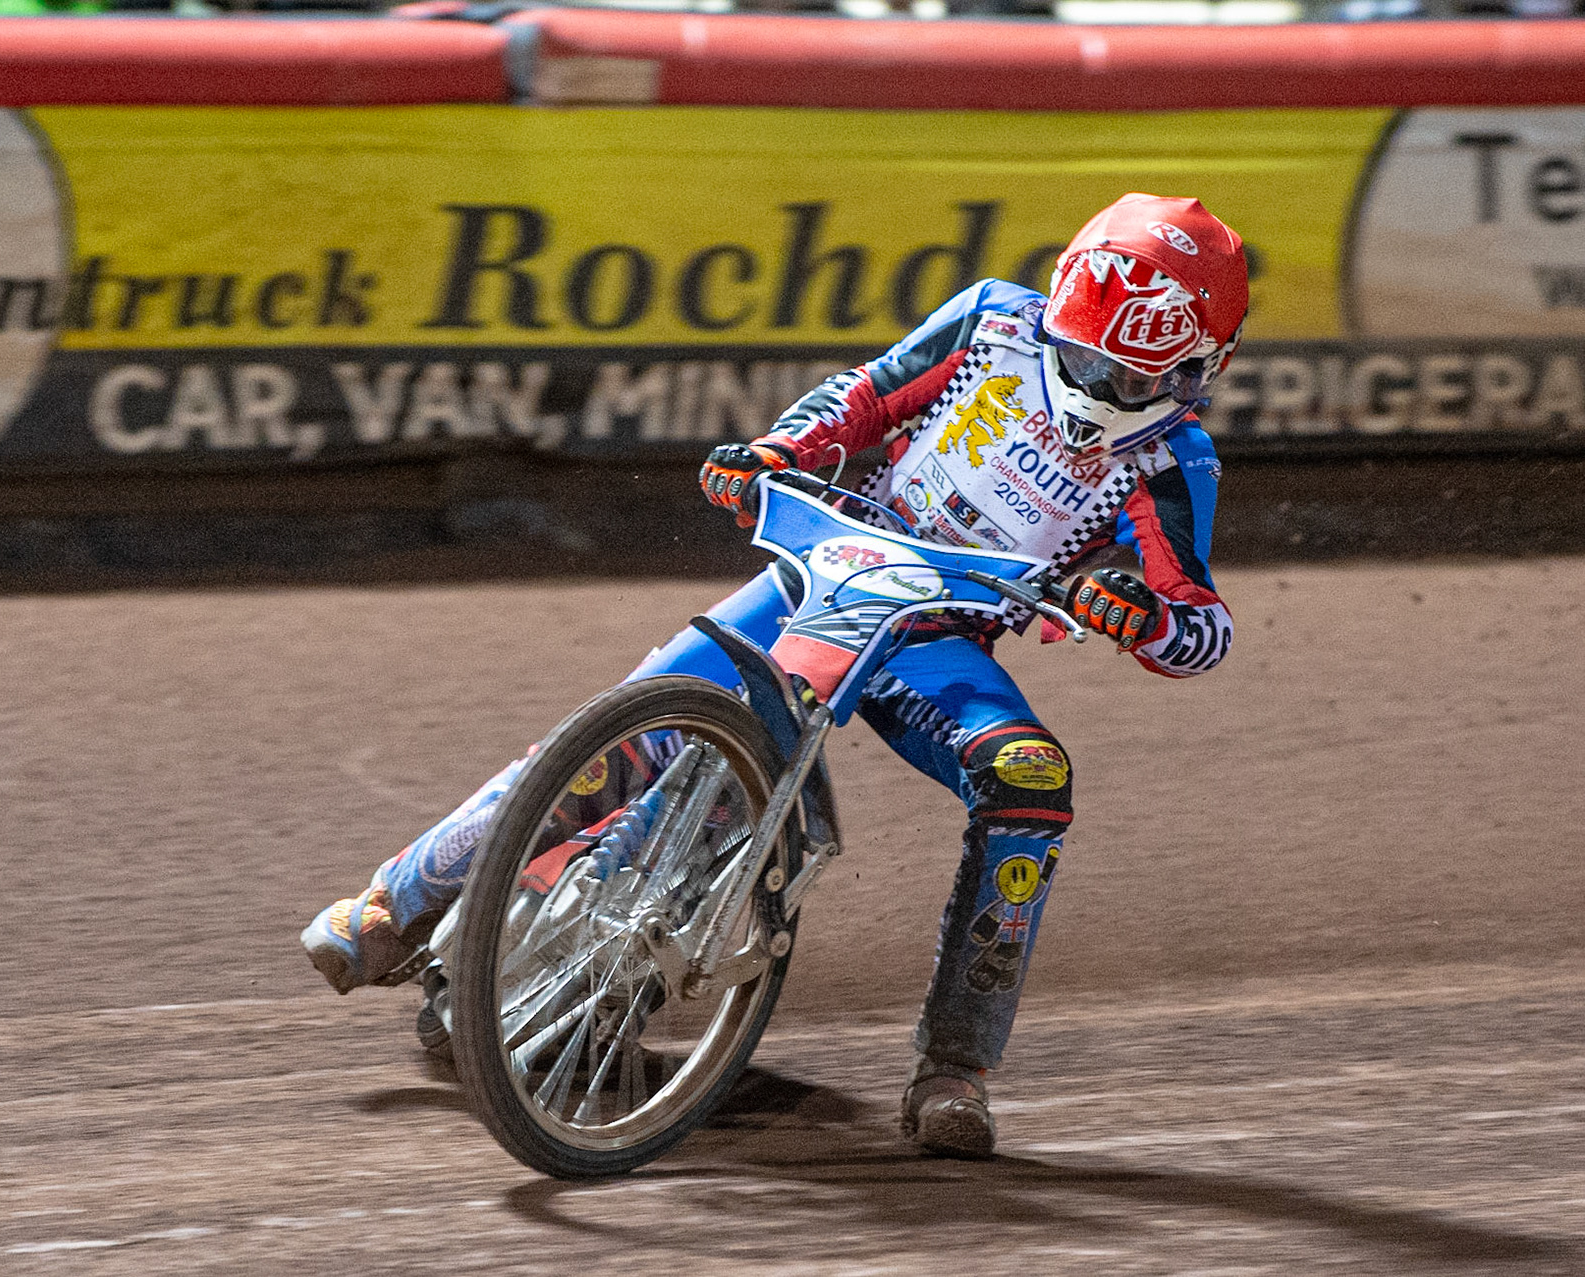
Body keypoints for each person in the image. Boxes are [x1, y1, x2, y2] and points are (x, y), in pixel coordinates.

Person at [302, 193, 1245, 1159]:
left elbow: (1203, 626)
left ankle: (957, 1065)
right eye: (1079, 353)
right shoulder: (992, 320)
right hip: (831, 570)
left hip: (936, 642)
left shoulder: (1177, 458)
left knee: (1033, 782)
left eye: (1118, 374)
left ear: (1191, 370)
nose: (1088, 379)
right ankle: (393, 904)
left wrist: (1142, 615)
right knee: (634, 718)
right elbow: (867, 395)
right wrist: (777, 451)